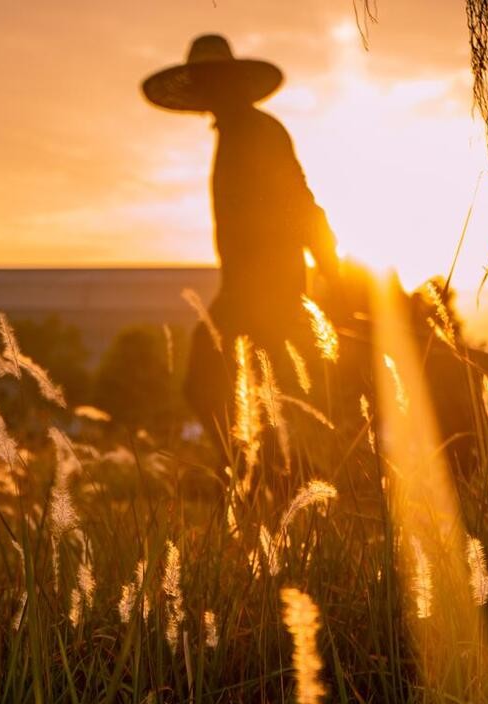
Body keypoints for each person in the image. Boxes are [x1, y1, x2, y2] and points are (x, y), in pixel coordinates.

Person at [142, 34, 341, 453]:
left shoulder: (258, 132)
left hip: (267, 287)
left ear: (231, 83)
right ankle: (260, 474)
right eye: (204, 81)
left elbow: (299, 202)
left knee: (206, 379)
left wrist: (331, 274)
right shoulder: (233, 134)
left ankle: (262, 474)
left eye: (216, 80)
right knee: (239, 385)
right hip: (243, 286)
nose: (211, 90)